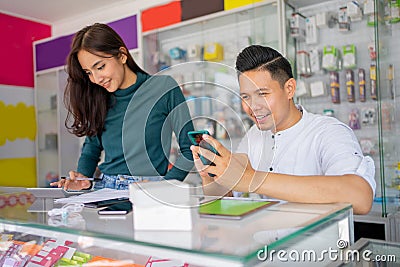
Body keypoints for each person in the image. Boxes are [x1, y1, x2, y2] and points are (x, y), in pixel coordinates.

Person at [191, 45, 376, 215]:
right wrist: (212, 177)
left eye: (262, 94)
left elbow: (360, 197)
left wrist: (251, 179)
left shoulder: (328, 132)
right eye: (246, 97)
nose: (253, 107)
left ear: (289, 89)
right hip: (264, 249)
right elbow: (225, 204)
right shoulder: (254, 135)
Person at [51, 23, 194, 190]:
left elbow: (190, 148)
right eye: (89, 72)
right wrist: (82, 177)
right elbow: (91, 148)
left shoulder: (164, 88)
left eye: (100, 67)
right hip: (105, 188)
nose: (96, 79)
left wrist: (167, 185)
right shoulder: (99, 98)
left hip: (149, 188)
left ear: (122, 55)